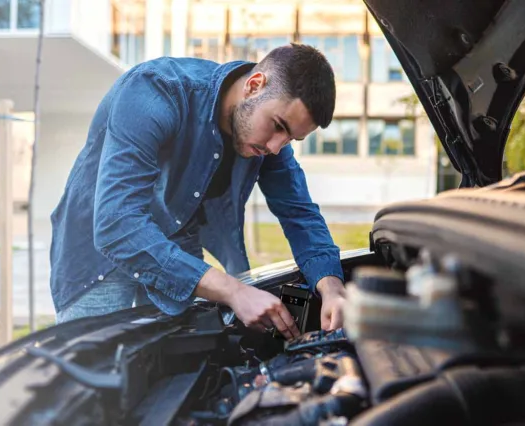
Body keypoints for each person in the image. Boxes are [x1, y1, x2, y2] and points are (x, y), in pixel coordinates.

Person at [49, 44, 346, 339]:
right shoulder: (156, 91)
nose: (275, 147)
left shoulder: (269, 142)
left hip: (175, 253)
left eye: (291, 139)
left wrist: (331, 287)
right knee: (98, 377)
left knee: (176, 375)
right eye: (278, 126)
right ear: (255, 86)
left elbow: (299, 213)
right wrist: (233, 290)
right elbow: (117, 224)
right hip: (99, 259)